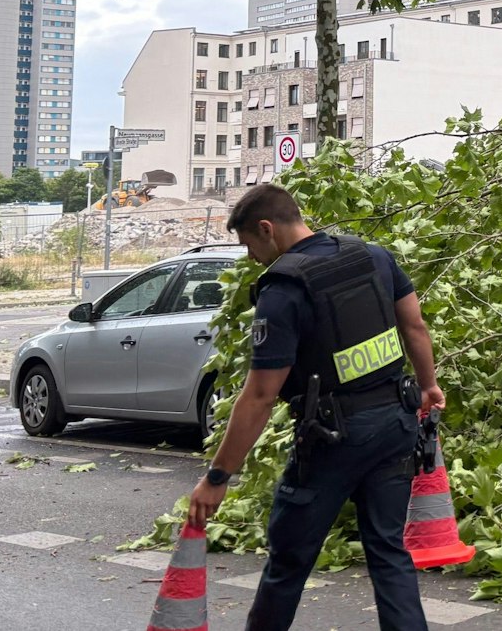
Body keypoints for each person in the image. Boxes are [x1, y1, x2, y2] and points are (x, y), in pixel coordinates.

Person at [185, 184, 444, 631]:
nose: (251, 259)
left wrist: (218, 477)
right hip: (395, 426)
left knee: (288, 560)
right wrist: (429, 387)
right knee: (388, 552)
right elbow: (415, 327)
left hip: (332, 441)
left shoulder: (284, 288)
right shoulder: (372, 256)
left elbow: (261, 395)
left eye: (249, 245)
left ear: (267, 229)